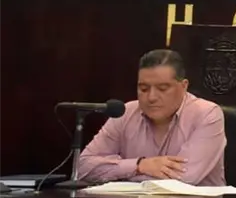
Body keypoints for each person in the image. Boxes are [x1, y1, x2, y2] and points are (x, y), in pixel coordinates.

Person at [76, 49, 227, 186]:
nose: (151, 97)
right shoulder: (126, 112)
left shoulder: (207, 114)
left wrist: (120, 173)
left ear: (184, 86)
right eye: (143, 88)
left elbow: (183, 179)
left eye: (162, 88)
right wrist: (139, 165)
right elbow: (83, 168)